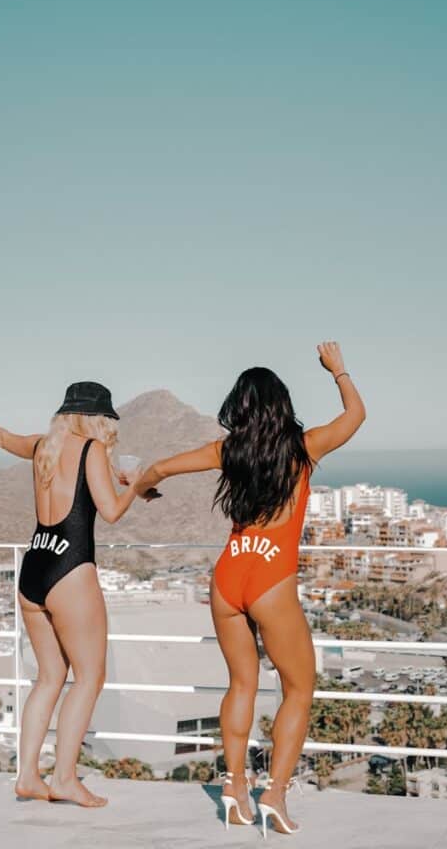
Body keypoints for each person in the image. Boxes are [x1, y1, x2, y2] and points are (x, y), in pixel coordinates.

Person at [134, 342, 366, 835]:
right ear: (282, 405)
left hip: (229, 574)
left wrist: (143, 488)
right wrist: (338, 371)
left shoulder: (227, 451)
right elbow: (355, 416)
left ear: (238, 406)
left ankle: (234, 788)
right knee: (299, 689)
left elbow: (157, 469)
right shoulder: (304, 447)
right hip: (270, 578)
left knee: (241, 684)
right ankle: (275, 795)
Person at [0, 380, 156, 808]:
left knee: (49, 678)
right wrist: (137, 486)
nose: (109, 427)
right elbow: (110, 511)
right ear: (95, 418)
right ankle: (65, 778)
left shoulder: (41, 446)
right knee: (89, 678)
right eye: (107, 418)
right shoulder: (90, 450)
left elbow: (3, 437)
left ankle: (29, 776)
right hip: (70, 569)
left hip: (34, 565)